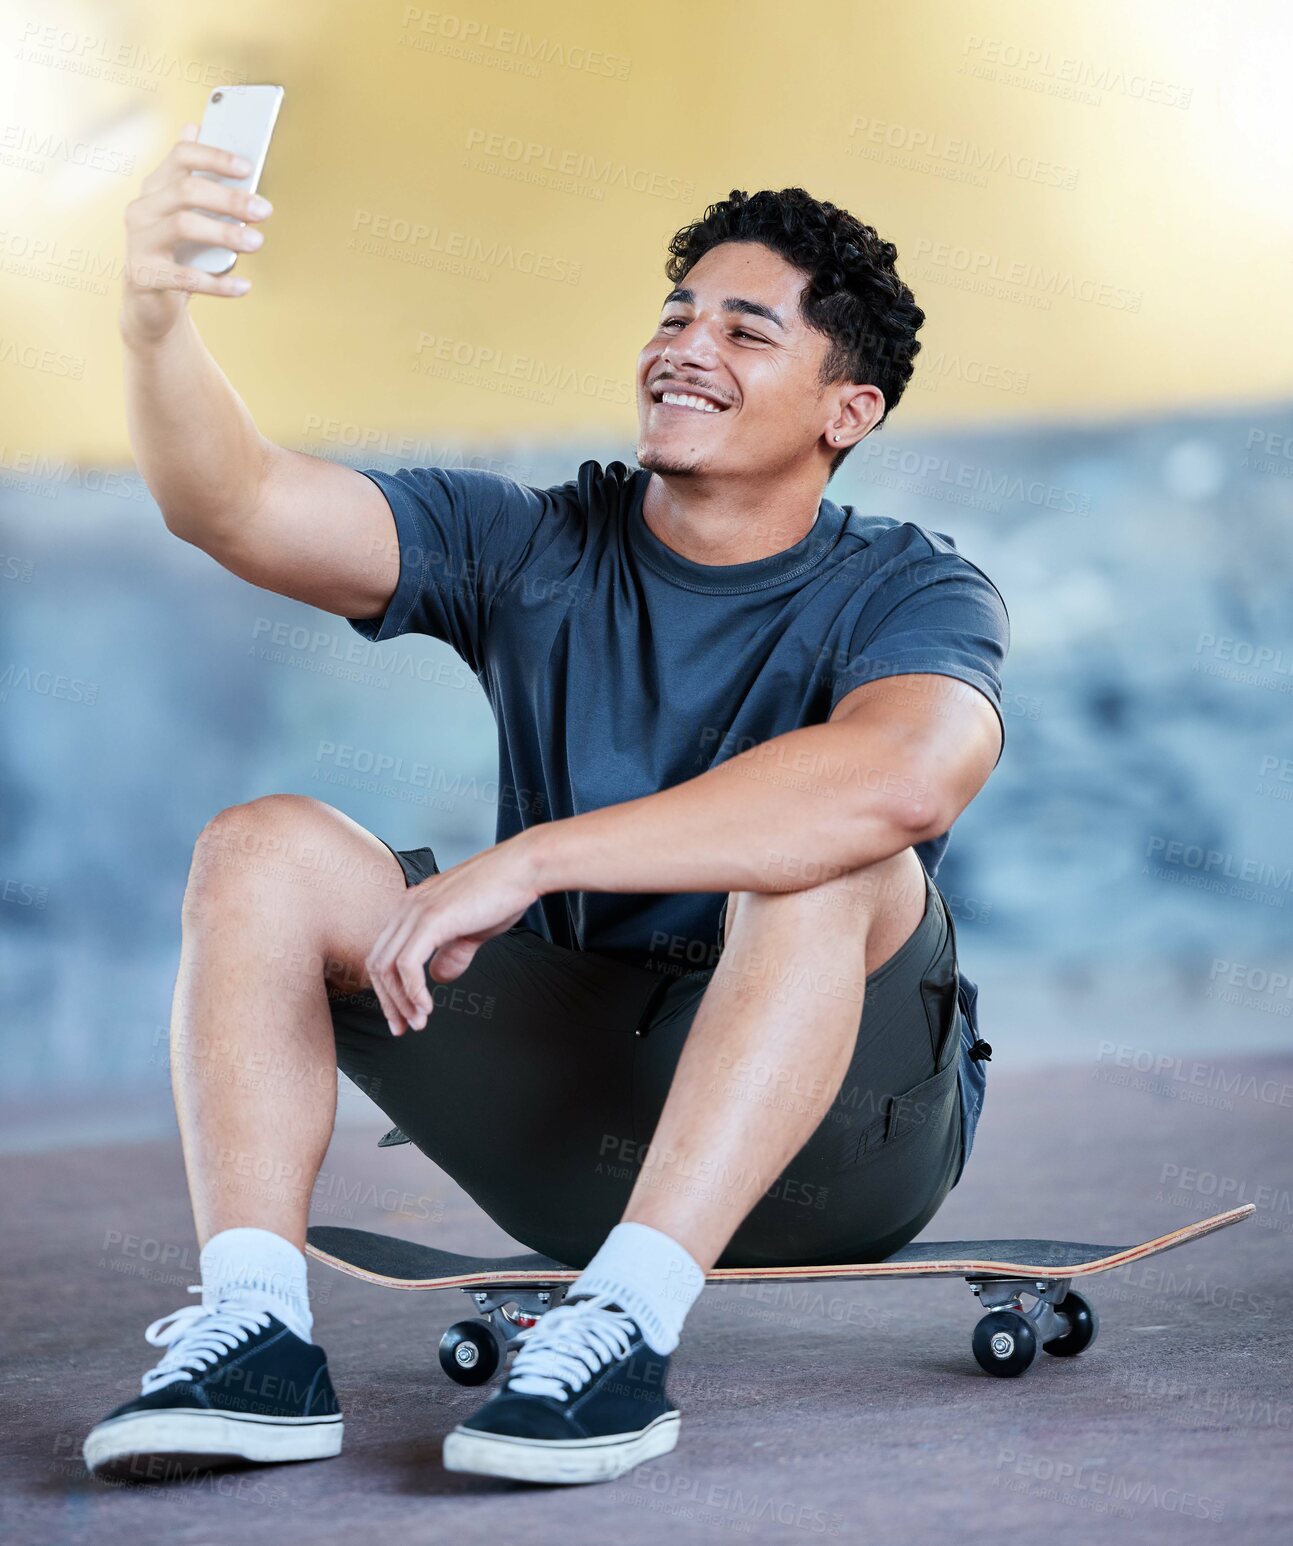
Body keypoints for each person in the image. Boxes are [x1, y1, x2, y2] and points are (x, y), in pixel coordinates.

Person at [84, 127, 1008, 1487]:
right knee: (262, 845)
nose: (685, 345)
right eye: (674, 313)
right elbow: (235, 505)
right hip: (572, 1127)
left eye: (745, 331)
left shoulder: (915, 589)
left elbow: (903, 778)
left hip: (844, 1151)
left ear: (844, 410)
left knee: (838, 861)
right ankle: (255, 1331)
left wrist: (529, 859)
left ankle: (625, 1326)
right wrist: (152, 315)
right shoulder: (532, 543)